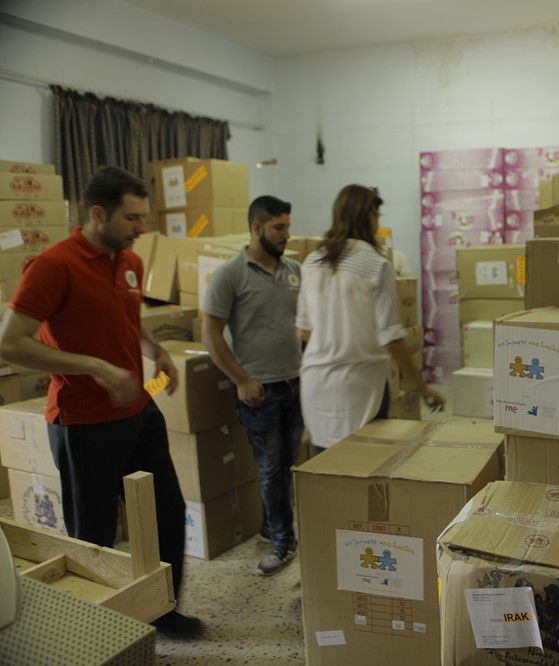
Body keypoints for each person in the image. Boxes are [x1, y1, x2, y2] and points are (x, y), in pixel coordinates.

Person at [0, 166, 202, 639]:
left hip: (139, 412)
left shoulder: (129, 261)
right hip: (83, 422)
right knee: (94, 536)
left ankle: (163, 609)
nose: (143, 227)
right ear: (97, 213)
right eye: (133, 218)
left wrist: (155, 350)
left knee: (166, 513)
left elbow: (127, 317)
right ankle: (100, 630)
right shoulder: (53, 266)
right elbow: (10, 343)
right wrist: (96, 366)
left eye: (144, 216)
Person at [201, 195, 303, 576]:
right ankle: (283, 542)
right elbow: (210, 335)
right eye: (279, 227)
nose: (286, 234)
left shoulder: (294, 270)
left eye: (288, 226)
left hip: (295, 384)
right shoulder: (230, 275)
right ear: (257, 228)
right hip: (259, 392)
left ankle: (270, 527)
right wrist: (242, 380)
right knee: (271, 467)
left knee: (286, 464)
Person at [297, 185, 444, 449]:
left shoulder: (312, 262)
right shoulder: (376, 264)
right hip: (360, 387)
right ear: (368, 216)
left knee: (325, 466)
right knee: (365, 464)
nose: (378, 222)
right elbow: (391, 338)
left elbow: (304, 331)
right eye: (377, 215)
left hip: (316, 384)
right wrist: (422, 388)